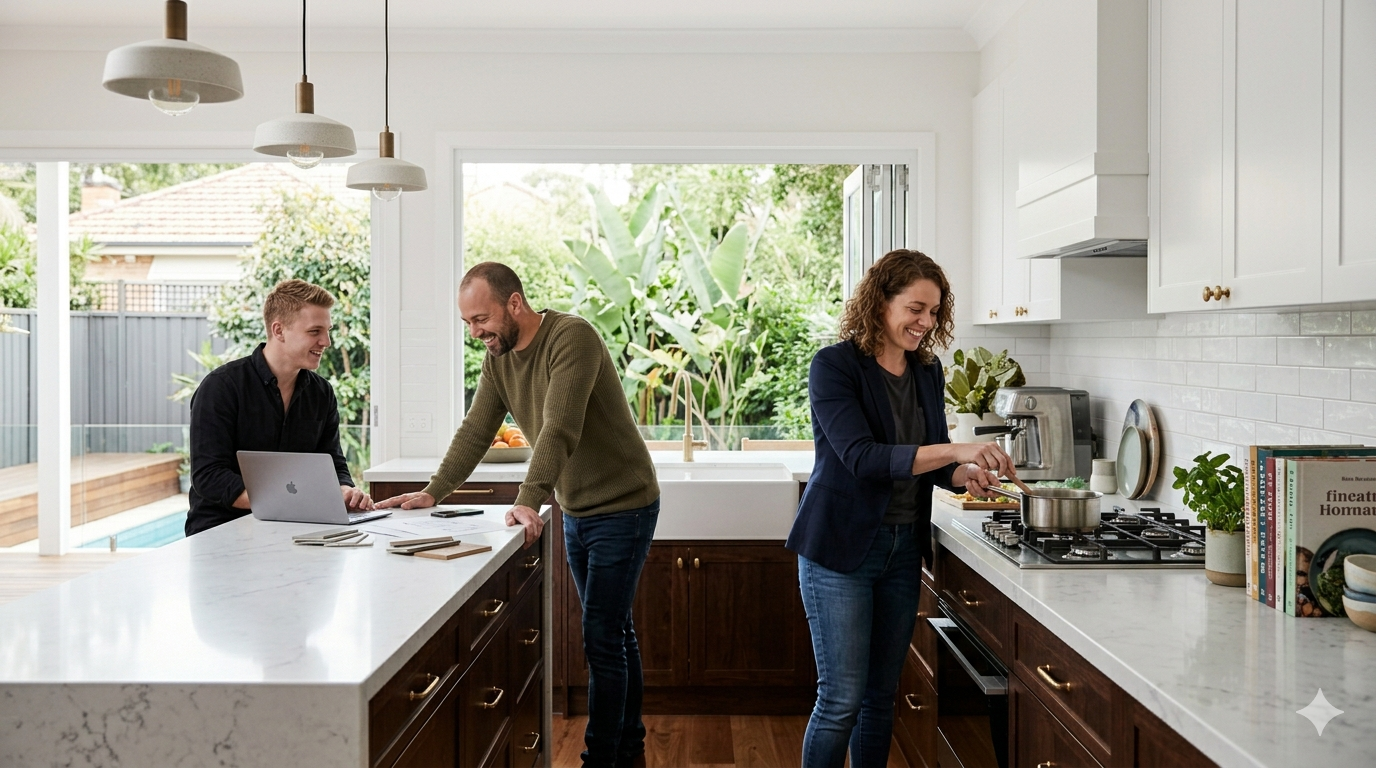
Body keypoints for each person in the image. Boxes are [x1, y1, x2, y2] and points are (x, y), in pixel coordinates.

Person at [376, 262, 660, 768]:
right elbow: (476, 429)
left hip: (624, 503)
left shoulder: (572, 338)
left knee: (601, 634)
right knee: (614, 632)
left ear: (514, 304)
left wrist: (529, 497)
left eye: (480, 319)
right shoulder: (498, 360)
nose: (475, 332)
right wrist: (433, 492)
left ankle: (601, 758)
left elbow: (559, 427)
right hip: (576, 507)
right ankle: (630, 749)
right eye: (467, 323)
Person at [786, 250, 1018, 768]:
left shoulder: (926, 372)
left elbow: (932, 462)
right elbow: (862, 458)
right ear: (880, 301)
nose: (926, 323)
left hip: (900, 551)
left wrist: (968, 474)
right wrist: (958, 448)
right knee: (841, 699)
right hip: (840, 552)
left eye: (934, 312)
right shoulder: (834, 366)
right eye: (916, 308)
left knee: (878, 697)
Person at [186, 279, 372, 536]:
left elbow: (332, 463)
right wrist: (291, 503)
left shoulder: (322, 393)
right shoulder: (221, 387)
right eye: (315, 331)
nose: (326, 341)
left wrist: (343, 491)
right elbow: (209, 476)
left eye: (327, 331)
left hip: (296, 527)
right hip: (220, 530)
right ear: (279, 330)